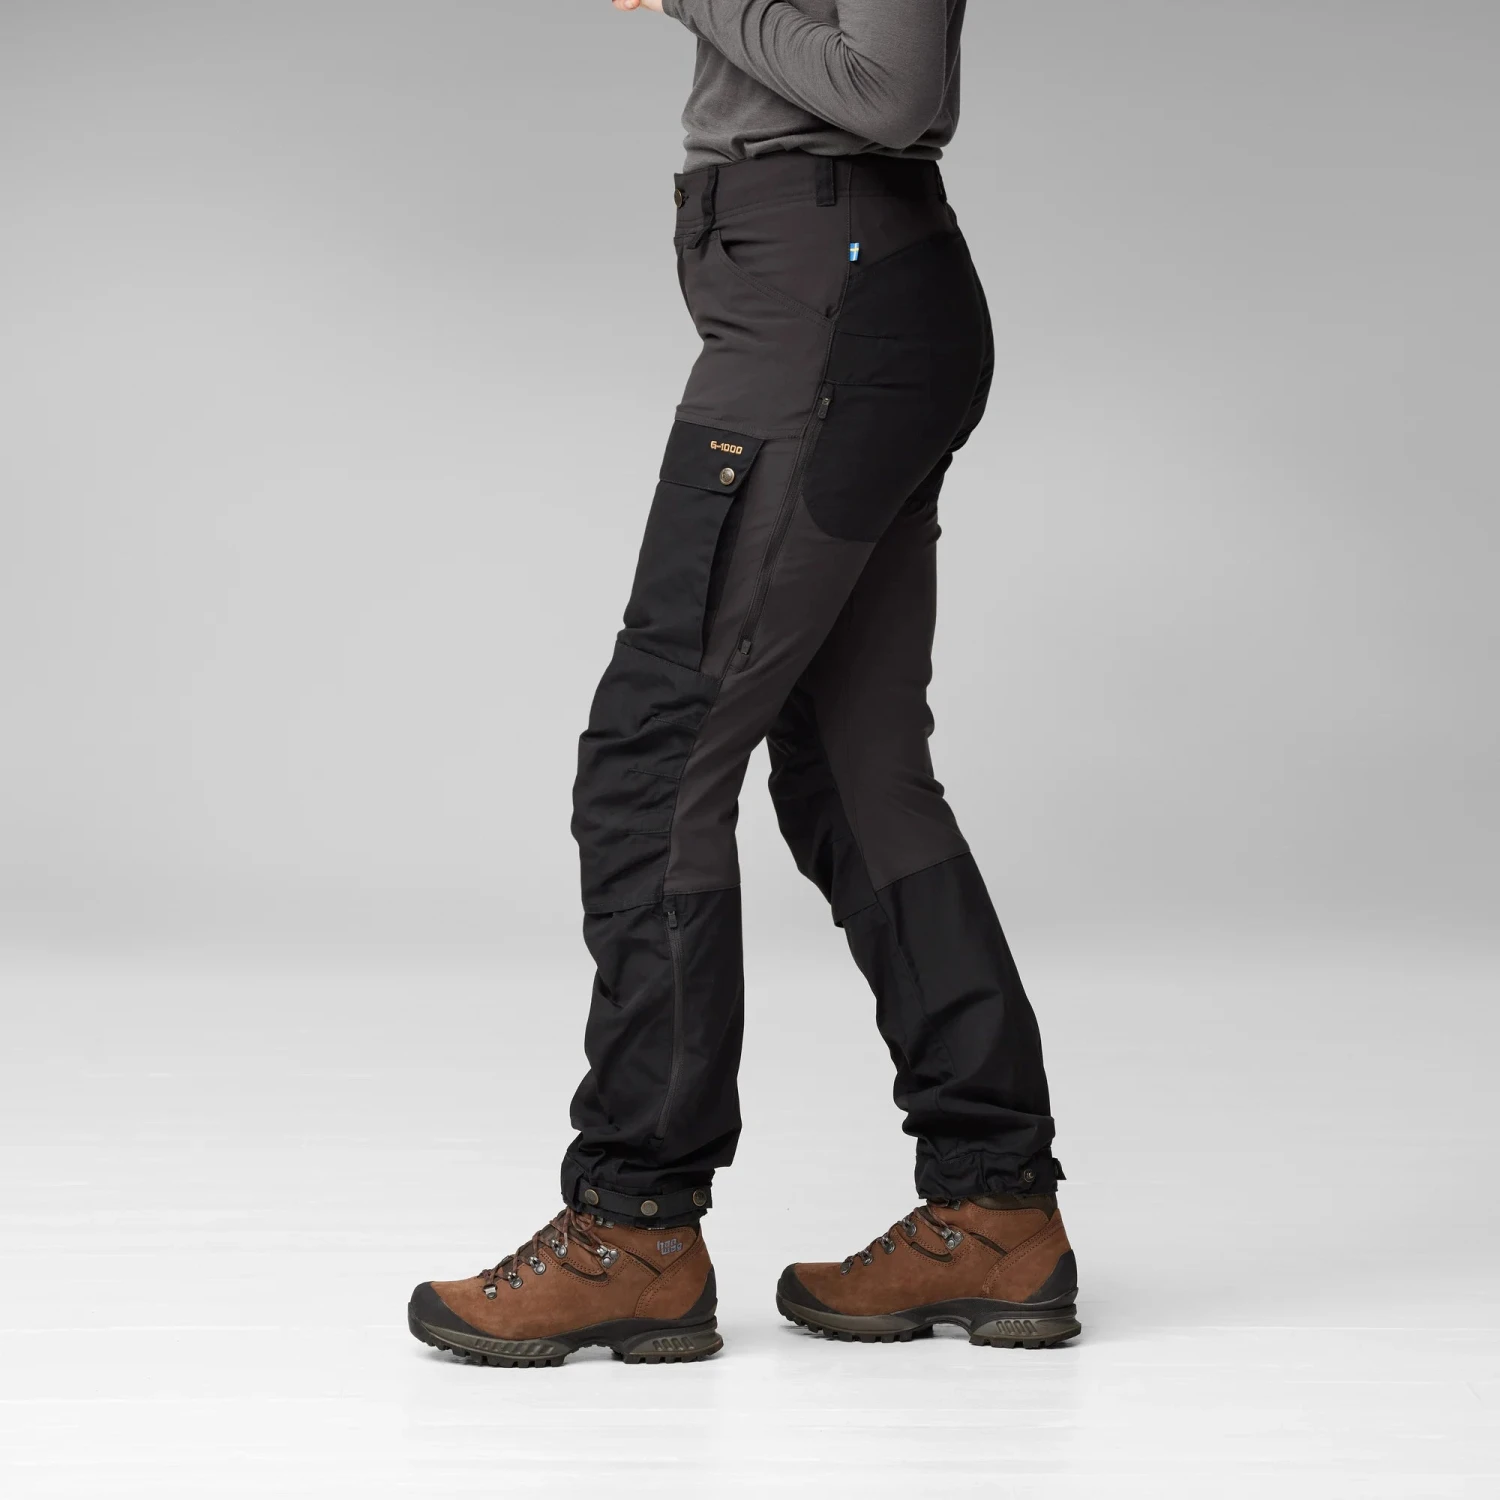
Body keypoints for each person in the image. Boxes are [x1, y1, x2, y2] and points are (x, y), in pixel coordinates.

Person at [408, 0, 1078, 1368]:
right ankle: (995, 1208)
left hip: (828, 287)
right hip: (825, 282)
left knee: (653, 760)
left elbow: (890, 90)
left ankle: (636, 1226)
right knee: (855, 772)